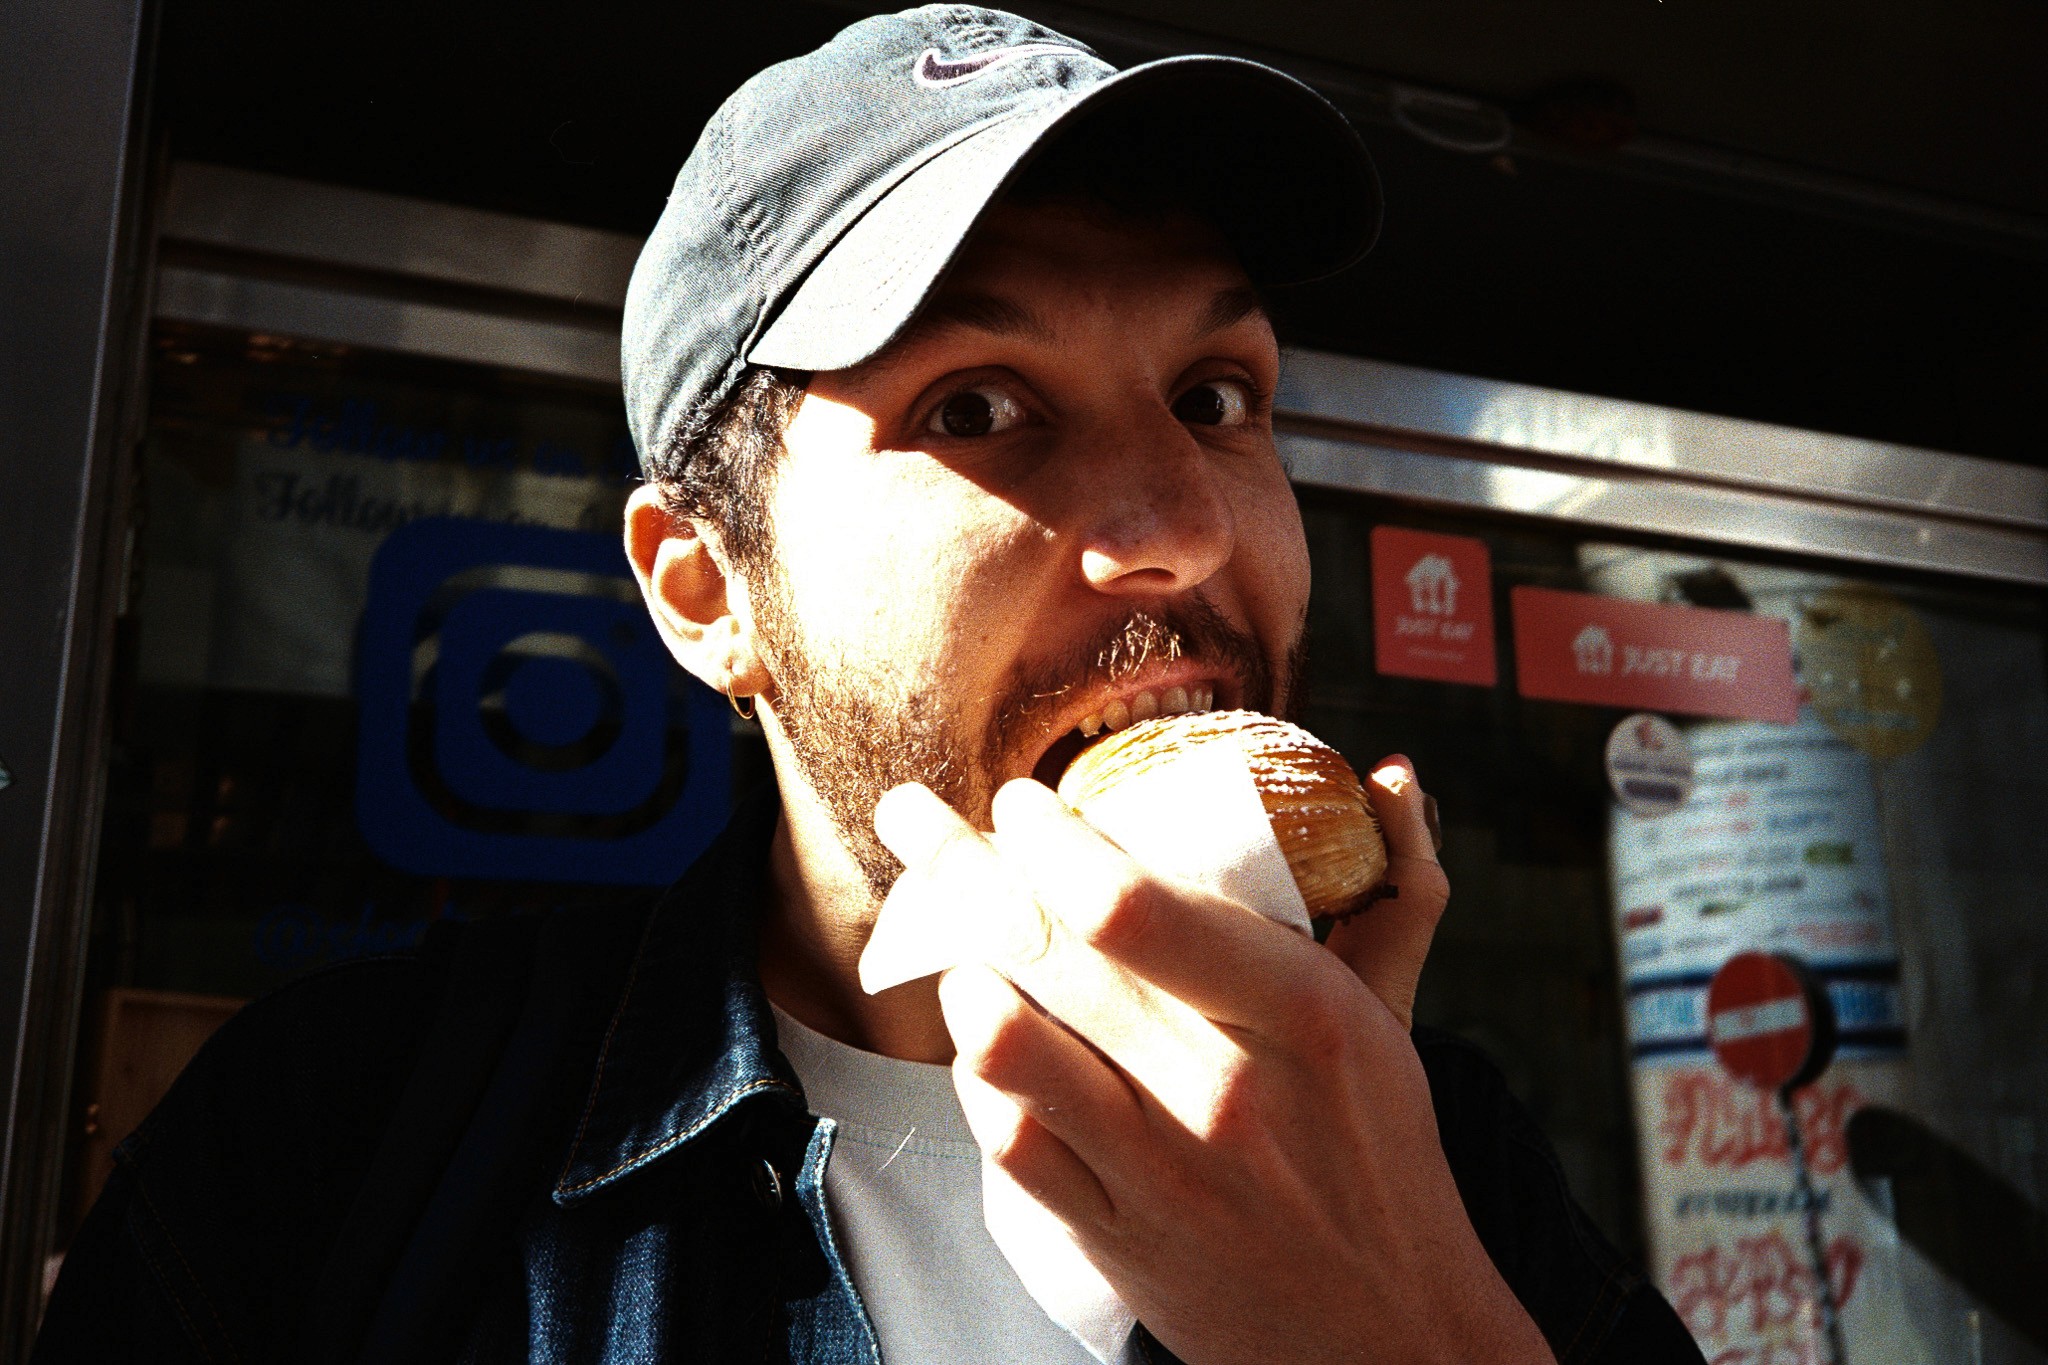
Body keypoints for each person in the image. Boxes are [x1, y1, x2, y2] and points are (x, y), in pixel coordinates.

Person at [36, 7, 1706, 1363]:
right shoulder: (333, 1162)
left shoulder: (1441, 1156)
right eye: (978, 407)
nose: (1185, 530)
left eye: (1213, 396)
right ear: (706, 589)